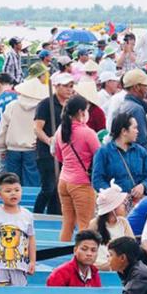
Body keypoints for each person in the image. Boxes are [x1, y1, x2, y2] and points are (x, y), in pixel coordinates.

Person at [52, 95, 98, 241]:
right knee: (85, 225)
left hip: (64, 181)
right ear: (80, 112)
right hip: (81, 183)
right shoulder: (87, 133)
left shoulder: (60, 130)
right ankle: (84, 258)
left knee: (68, 223)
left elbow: (58, 156)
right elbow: (99, 157)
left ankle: (61, 255)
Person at [32, 71, 74, 216]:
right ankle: (36, 214)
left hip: (65, 152)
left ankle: (54, 215)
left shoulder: (70, 105)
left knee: (60, 188)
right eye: (65, 86)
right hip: (46, 152)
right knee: (48, 187)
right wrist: (49, 140)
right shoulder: (46, 104)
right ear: (56, 87)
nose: (69, 89)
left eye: (71, 86)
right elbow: (37, 128)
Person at [0, 172, 36, 285]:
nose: (13, 194)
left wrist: (32, 261)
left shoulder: (27, 215)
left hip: (20, 266)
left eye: (17, 190)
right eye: (8, 191)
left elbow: (31, 239)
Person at [91, 111, 147, 200]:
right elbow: (97, 180)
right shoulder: (103, 152)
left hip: (138, 202)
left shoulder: (140, 151)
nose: (137, 131)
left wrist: (143, 186)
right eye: (134, 128)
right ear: (124, 131)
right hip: (115, 205)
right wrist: (114, 195)